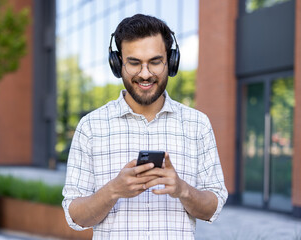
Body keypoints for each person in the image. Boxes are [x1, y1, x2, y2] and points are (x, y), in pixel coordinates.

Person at [62, 14, 228, 239]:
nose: (145, 74)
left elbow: (212, 209)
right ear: (118, 64)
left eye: (155, 62)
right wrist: (113, 190)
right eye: (134, 63)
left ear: (170, 62)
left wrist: (183, 190)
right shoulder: (91, 127)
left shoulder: (197, 125)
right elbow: (75, 217)